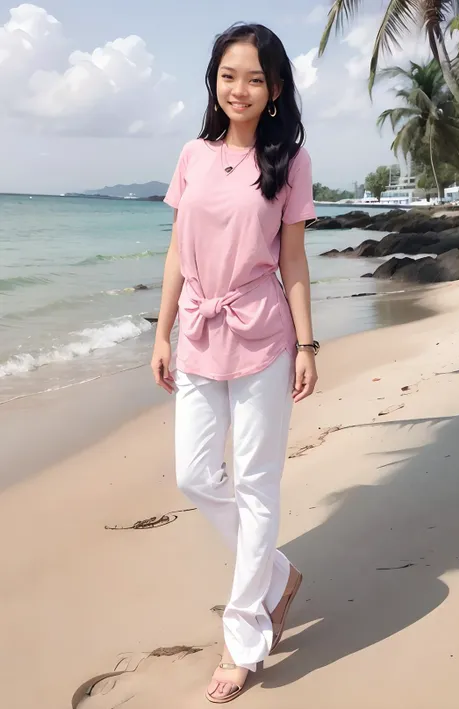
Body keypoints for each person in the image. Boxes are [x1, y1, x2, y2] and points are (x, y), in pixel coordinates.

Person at [151, 22, 318, 703]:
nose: (239, 88)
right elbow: (173, 251)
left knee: (255, 484)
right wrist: (160, 334)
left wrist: (308, 344)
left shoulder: (290, 162)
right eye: (228, 75)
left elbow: (294, 260)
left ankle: (244, 633)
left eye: (254, 77)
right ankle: (279, 575)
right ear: (213, 81)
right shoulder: (193, 153)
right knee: (195, 473)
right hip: (196, 331)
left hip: (262, 335)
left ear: (274, 89)